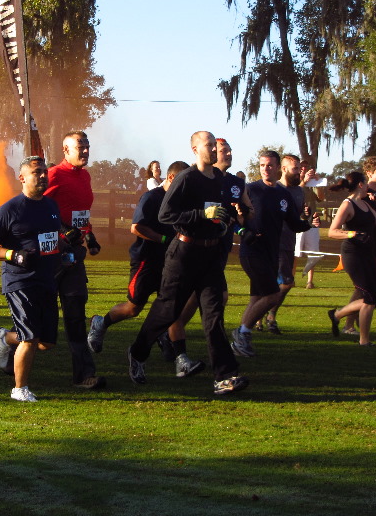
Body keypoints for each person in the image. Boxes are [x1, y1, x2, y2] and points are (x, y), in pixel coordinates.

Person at [127, 131, 248, 395]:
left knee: (214, 317)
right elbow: (166, 213)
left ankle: (224, 376)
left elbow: (219, 210)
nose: (214, 149)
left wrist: (224, 221)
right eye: (208, 145)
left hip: (211, 256)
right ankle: (137, 352)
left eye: (215, 145)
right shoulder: (186, 178)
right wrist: (201, 214)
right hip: (183, 254)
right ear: (195, 149)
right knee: (168, 311)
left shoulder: (220, 179)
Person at [87, 161, 205, 377]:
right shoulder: (151, 198)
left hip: (172, 263)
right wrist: (163, 238)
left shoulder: (182, 201)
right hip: (146, 261)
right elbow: (136, 227)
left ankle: (181, 359)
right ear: (170, 178)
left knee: (172, 309)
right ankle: (100, 323)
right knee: (133, 308)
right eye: (183, 182)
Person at [0, 156, 62, 402]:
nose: (43, 176)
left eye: (45, 172)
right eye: (37, 172)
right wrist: (11, 254)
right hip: (20, 281)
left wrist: (66, 249)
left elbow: (52, 237)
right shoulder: (9, 209)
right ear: (22, 177)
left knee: (46, 342)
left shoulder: (51, 206)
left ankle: (5, 337)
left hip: (47, 278)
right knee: (30, 337)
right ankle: (20, 389)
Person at [231, 151, 318, 357]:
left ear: (278, 168)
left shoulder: (284, 195)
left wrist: (308, 223)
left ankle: (242, 338)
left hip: (273, 251)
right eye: (262, 165)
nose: (265, 169)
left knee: (256, 297)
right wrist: (243, 231)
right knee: (272, 294)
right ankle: (241, 332)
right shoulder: (250, 190)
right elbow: (233, 218)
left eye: (270, 165)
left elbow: (293, 223)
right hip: (252, 250)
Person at [44, 131, 106, 390]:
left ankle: (83, 375)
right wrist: (61, 228)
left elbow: (82, 213)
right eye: (79, 146)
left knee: (76, 316)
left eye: (87, 146)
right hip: (50, 256)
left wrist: (89, 236)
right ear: (65, 150)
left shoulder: (86, 176)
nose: (85, 151)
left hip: (74, 255)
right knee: (41, 321)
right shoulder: (55, 174)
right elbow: (38, 207)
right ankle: (8, 344)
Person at [326, 172, 376, 346]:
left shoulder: (366, 205)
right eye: (366, 183)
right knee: (369, 297)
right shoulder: (348, 204)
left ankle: (337, 315)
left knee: (373, 296)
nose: (369, 186)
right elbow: (332, 231)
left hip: (368, 254)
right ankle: (364, 341)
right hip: (353, 255)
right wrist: (352, 234)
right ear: (361, 184)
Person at [255, 154, 309, 333]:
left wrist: (307, 217)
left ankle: (266, 316)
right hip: (272, 242)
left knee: (281, 284)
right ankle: (265, 317)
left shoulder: (299, 191)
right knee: (284, 282)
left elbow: (295, 218)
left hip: (289, 242)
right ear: (283, 169)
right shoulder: (272, 189)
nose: (300, 172)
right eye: (296, 169)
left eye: (300, 168)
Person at [295, 160, 324, 289]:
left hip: (312, 223)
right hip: (297, 223)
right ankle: (291, 278)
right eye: (301, 167)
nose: (304, 170)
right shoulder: (294, 183)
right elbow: (295, 192)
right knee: (295, 253)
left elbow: (321, 198)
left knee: (313, 254)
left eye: (306, 168)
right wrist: (304, 181)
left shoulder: (311, 186)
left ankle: (309, 281)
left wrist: (318, 183)